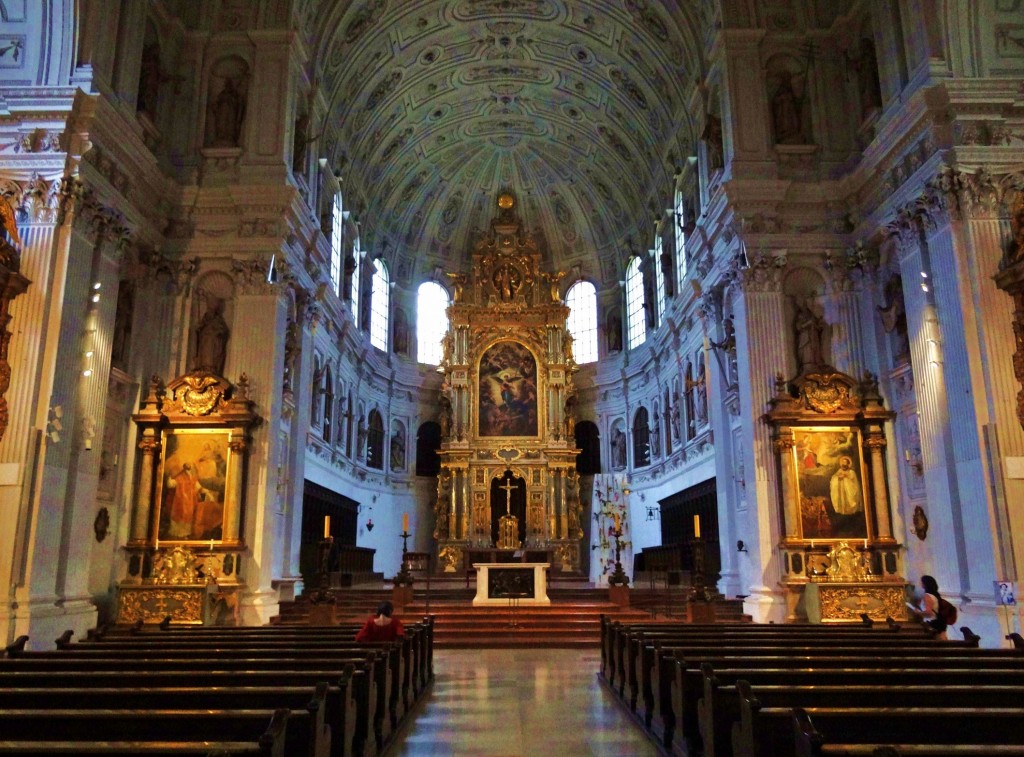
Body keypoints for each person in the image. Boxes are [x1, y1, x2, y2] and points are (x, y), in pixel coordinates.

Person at [907, 575, 947, 640]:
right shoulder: (935, 595)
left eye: (921, 583)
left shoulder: (927, 596)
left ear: (924, 584)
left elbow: (929, 613)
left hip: (931, 624)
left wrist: (918, 612)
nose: (920, 584)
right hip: (936, 623)